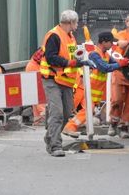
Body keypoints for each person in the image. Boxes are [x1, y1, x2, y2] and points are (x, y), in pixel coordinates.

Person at [40, 9, 92, 157]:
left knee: (67, 111)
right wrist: (71, 62)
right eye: (76, 23)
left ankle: (50, 136)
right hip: (52, 79)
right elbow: (51, 58)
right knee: (57, 113)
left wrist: (79, 59)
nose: (77, 26)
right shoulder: (54, 36)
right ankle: (56, 145)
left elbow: (70, 54)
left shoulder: (70, 36)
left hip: (66, 81)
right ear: (70, 22)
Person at [62, 32, 129, 138]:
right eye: (110, 42)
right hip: (84, 89)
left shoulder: (106, 55)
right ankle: (69, 127)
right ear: (104, 42)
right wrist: (120, 64)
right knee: (86, 110)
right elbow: (105, 68)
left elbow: (114, 64)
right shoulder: (94, 54)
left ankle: (69, 127)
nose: (112, 44)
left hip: (92, 91)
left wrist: (126, 63)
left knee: (87, 110)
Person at [108, 13, 129, 139]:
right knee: (117, 100)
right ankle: (113, 122)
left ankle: (124, 127)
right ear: (126, 22)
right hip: (120, 72)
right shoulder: (120, 34)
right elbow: (118, 43)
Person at [25, 49, 46, 126]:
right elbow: (41, 59)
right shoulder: (45, 49)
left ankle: (37, 119)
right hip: (34, 69)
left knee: (36, 94)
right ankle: (42, 114)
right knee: (39, 93)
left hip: (34, 67)